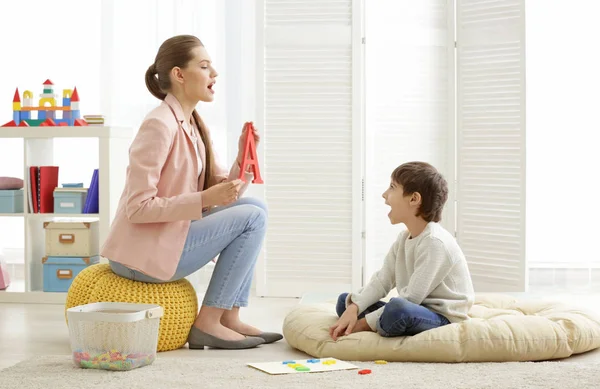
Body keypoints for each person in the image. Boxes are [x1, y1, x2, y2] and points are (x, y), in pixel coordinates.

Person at [100, 35, 282, 350]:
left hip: (169, 236)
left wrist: (244, 156)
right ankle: (209, 323)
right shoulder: (158, 125)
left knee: (256, 208)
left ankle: (228, 316)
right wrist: (203, 201)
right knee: (252, 216)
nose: (215, 74)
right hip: (139, 254)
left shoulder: (193, 123)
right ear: (179, 74)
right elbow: (138, 208)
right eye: (204, 66)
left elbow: (224, 191)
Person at [330, 161, 474, 340]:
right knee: (345, 302)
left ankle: (378, 324)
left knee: (397, 309)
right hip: (415, 308)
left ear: (414, 199)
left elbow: (411, 298)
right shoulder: (403, 239)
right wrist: (354, 308)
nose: (384, 195)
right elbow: (382, 281)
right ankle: (377, 322)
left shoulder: (435, 242)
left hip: (443, 317)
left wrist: (358, 326)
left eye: (392, 187)